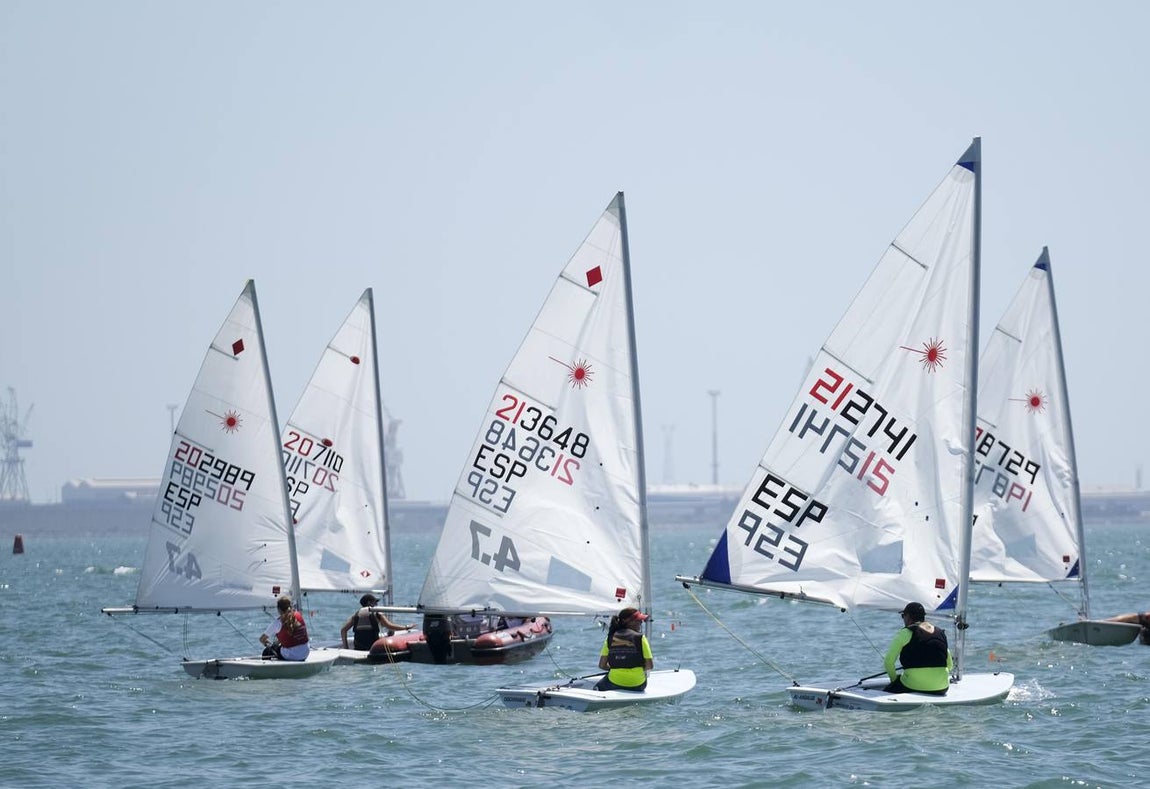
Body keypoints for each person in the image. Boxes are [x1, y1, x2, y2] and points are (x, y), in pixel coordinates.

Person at [882, 601, 952, 695]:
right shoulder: (940, 633)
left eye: (903, 616)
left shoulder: (905, 633)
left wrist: (894, 681)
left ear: (908, 617)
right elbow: (950, 665)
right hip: (941, 688)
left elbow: (888, 662)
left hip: (912, 686)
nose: (903, 619)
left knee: (886, 691)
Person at [595, 606, 654, 692]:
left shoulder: (610, 638)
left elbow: (602, 665)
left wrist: (617, 669)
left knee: (596, 688)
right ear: (626, 622)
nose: (641, 622)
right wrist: (636, 670)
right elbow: (650, 665)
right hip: (638, 684)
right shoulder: (641, 638)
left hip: (614, 682)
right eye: (638, 620)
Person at [340, 594, 413, 651]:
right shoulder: (377, 614)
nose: (377, 605)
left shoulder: (355, 615)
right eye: (375, 602)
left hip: (358, 647)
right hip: (372, 647)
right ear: (369, 603)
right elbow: (389, 626)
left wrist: (346, 647)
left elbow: (343, 630)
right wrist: (406, 627)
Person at [259, 595, 310, 661]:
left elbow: (262, 639)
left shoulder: (277, 623)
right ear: (290, 606)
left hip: (291, 655)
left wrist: (272, 646)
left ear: (279, 609)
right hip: (305, 653)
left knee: (267, 651)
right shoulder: (298, 615)